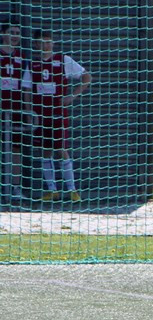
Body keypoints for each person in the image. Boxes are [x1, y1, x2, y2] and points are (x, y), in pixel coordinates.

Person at [24, 29, 91, 202]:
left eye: (48, 41)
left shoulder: (63, 60)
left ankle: (72, 190)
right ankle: (52, 190)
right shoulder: (32, 64)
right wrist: (29, 111)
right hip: (40, 113)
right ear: (35, 45)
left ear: (53, 43)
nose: (45, 45)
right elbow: (27, 90)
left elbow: (87, 78)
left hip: (58, 112)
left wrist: (72, 96)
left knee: (61, 149)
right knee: (45, 150)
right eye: (41, 42)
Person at [1, 22, 27, 201]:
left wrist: (28, 109)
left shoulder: (22, 57)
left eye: (18, 33)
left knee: (16, 148)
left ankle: (15, 188)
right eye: (12, 32)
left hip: (15, 107)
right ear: (3, 34)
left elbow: (26, 86)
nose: (15, 36)